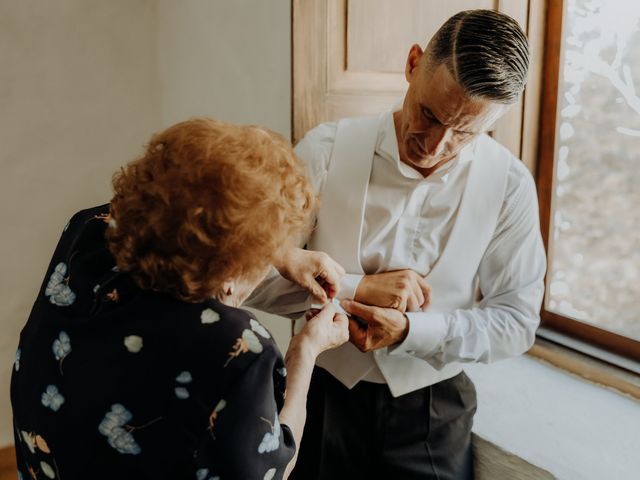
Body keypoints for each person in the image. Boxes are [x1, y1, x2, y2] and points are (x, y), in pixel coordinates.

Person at [246, 9, 547, 479]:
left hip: (434, 414)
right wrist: (355, 287)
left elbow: (516, 321)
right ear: (412, 64)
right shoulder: (323, 151)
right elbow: (251, 277)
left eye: (464, 131)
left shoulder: (509, 186)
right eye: (428, 114)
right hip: (321, 394)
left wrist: (413, 333)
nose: (436, 143)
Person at [10, 118, 349, 480]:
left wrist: (284, 254)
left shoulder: (86, 232)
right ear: (231, 276)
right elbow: (274, 468)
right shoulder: (237, 348)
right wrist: (305, 352)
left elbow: (171, 204)